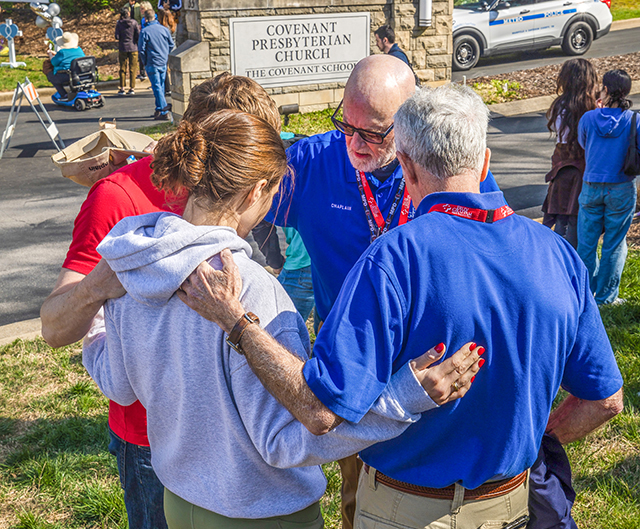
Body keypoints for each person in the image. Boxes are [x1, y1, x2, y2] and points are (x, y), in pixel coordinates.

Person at [178, 83, 624, 529]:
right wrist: (533, 438)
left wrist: (236, 322)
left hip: (404, 510)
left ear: (406, 167)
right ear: (484, 161)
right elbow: (605, 400)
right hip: (513, 506)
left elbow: (318, 410)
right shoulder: (559, 256)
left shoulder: (392, 260)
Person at [82, 108, 482, 529]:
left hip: (180, 502)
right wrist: (404, 398)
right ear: (257, 190)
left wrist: (95, 325)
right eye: (274, 193)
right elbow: (287, 443)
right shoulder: (254, 292)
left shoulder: (134, 266)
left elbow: (120, 387)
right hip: (262, 509)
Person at [40, 72, 288, 529]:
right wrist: (98, 287)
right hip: (155, 443)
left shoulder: (247, 194)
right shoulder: (119, 196)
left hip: (241, 440)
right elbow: (53, 327)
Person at [263, 54, 499, 528]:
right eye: (345, 124)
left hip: (434, 361)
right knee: (357, 494)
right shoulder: (314, 163)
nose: (355, 143)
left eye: (373, 132)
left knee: (425, 482)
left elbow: (490, 241)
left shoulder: (442, 164)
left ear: (409, 123)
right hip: (355, 361)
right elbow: (232, 188)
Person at [577, 69, 640, 305]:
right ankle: (606, 298)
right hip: (621, 188)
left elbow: (584, 144)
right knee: (614, 244)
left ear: (605, 89)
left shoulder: (588, 119)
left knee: (586, 245)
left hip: (591, 186)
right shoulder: (634, 120)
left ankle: (585, 296)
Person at [542, 59, 599, 248]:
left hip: (561, 168)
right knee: (576, 220)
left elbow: (561, 138)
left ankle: (558, 259)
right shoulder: (592, 109)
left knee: (560, 217)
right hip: (583, 169)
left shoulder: (558, 107)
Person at [139, 8, 174, 120]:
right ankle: (159, 108)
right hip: (163, 62)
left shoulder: (145, 32)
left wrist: (145, 62)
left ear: (145, 19)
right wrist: (165, 55)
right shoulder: (164, 29)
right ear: (154, 17)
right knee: (161, 86)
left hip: (152, 62)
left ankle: (164, 111)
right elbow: (171, 45)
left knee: (157, 87)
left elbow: (141, 49)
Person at [46, 32, 85, 102]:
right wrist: (56, 54)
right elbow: (69, 56)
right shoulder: (79, 49)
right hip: (80, 74)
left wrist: (50, 55)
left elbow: (54, 62)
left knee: (51, 75)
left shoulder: (62, 52)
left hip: (67, 76)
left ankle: (64, 95)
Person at [115, 6, 140, 96]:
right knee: (133, 68)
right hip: (133, 47)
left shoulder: (119, 23)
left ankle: (122, 87)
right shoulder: (134, 22)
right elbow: (138, 35)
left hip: (123, 48)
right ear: (128, 13)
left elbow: (117, 36)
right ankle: (132, 88)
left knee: (122, 68)